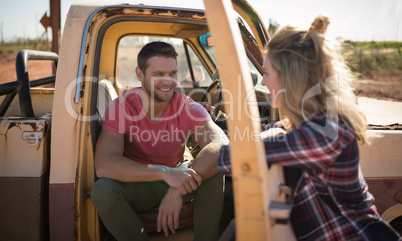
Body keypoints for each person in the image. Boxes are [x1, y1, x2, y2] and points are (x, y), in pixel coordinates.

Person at [217, 16, 401, 240]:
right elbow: (261, 135)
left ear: (291, 78)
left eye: (266, 73)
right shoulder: (302, 125)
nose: (262, 83)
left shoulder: (326, 132)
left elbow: (232, 157)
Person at [91, 41, 228, 241]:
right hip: (140, 182)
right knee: (102, 191)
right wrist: (165, 173)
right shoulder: (122, 107)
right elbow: (104, 165)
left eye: (172, 74)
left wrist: (176, 188)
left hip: (178, 173)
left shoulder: (187, 106)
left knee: (216, 167)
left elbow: (221, 144)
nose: (168, 81)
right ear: (140, 74)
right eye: (158, 75)